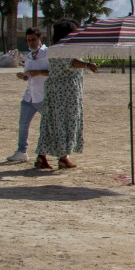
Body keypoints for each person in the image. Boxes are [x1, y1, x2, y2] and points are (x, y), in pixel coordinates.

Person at [37, 21, 100, 170]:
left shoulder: (53, 48)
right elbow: (71, 63)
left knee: (50, 121)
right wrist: (87, 65)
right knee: (66, 121)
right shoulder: (64, 49)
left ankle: (42, 156)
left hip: (54, 88)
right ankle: (63, 157)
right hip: (66, 90)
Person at [8, 28, 50, 163]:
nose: (31, 43)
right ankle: (22, 151)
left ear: (39, 39)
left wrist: (39, 72)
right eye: (28, 40)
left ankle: (53, 152)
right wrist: (23, 76)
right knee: (23, 124)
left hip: (43, 96)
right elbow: (28, 75)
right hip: (29, 96)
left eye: (33, 40)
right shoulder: (28, 56)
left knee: (49, 125)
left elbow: (53, 72)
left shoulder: (48, 53)